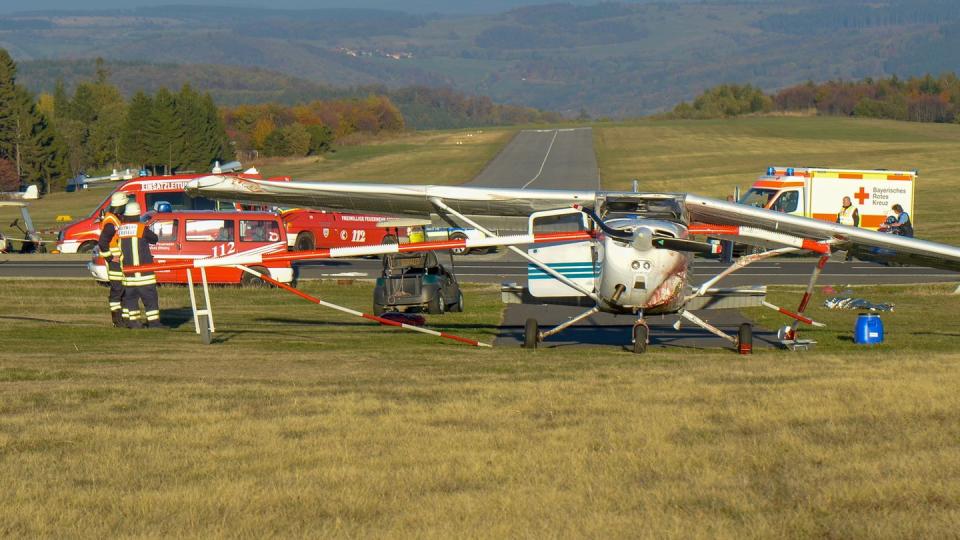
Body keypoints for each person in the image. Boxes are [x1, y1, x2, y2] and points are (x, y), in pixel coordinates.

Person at [118, 202, 163, 329]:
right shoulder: (141, 228)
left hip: (128, 275)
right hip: (144, 275)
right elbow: (154, 239)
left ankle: (133, 323)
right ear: (138, 215)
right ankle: (154, 323)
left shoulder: (121, 230)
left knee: (131, 300)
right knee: (150, 300)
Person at [97, 192, 129, 327]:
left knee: (123, 291)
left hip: (119, 263)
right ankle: (117, 321)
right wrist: (110, 257)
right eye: (125, 205)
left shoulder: (115, 219)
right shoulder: (111, 223)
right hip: (115, 264)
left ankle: (124, 320)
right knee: (117, 291)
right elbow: (102, 243)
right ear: (120, 206)